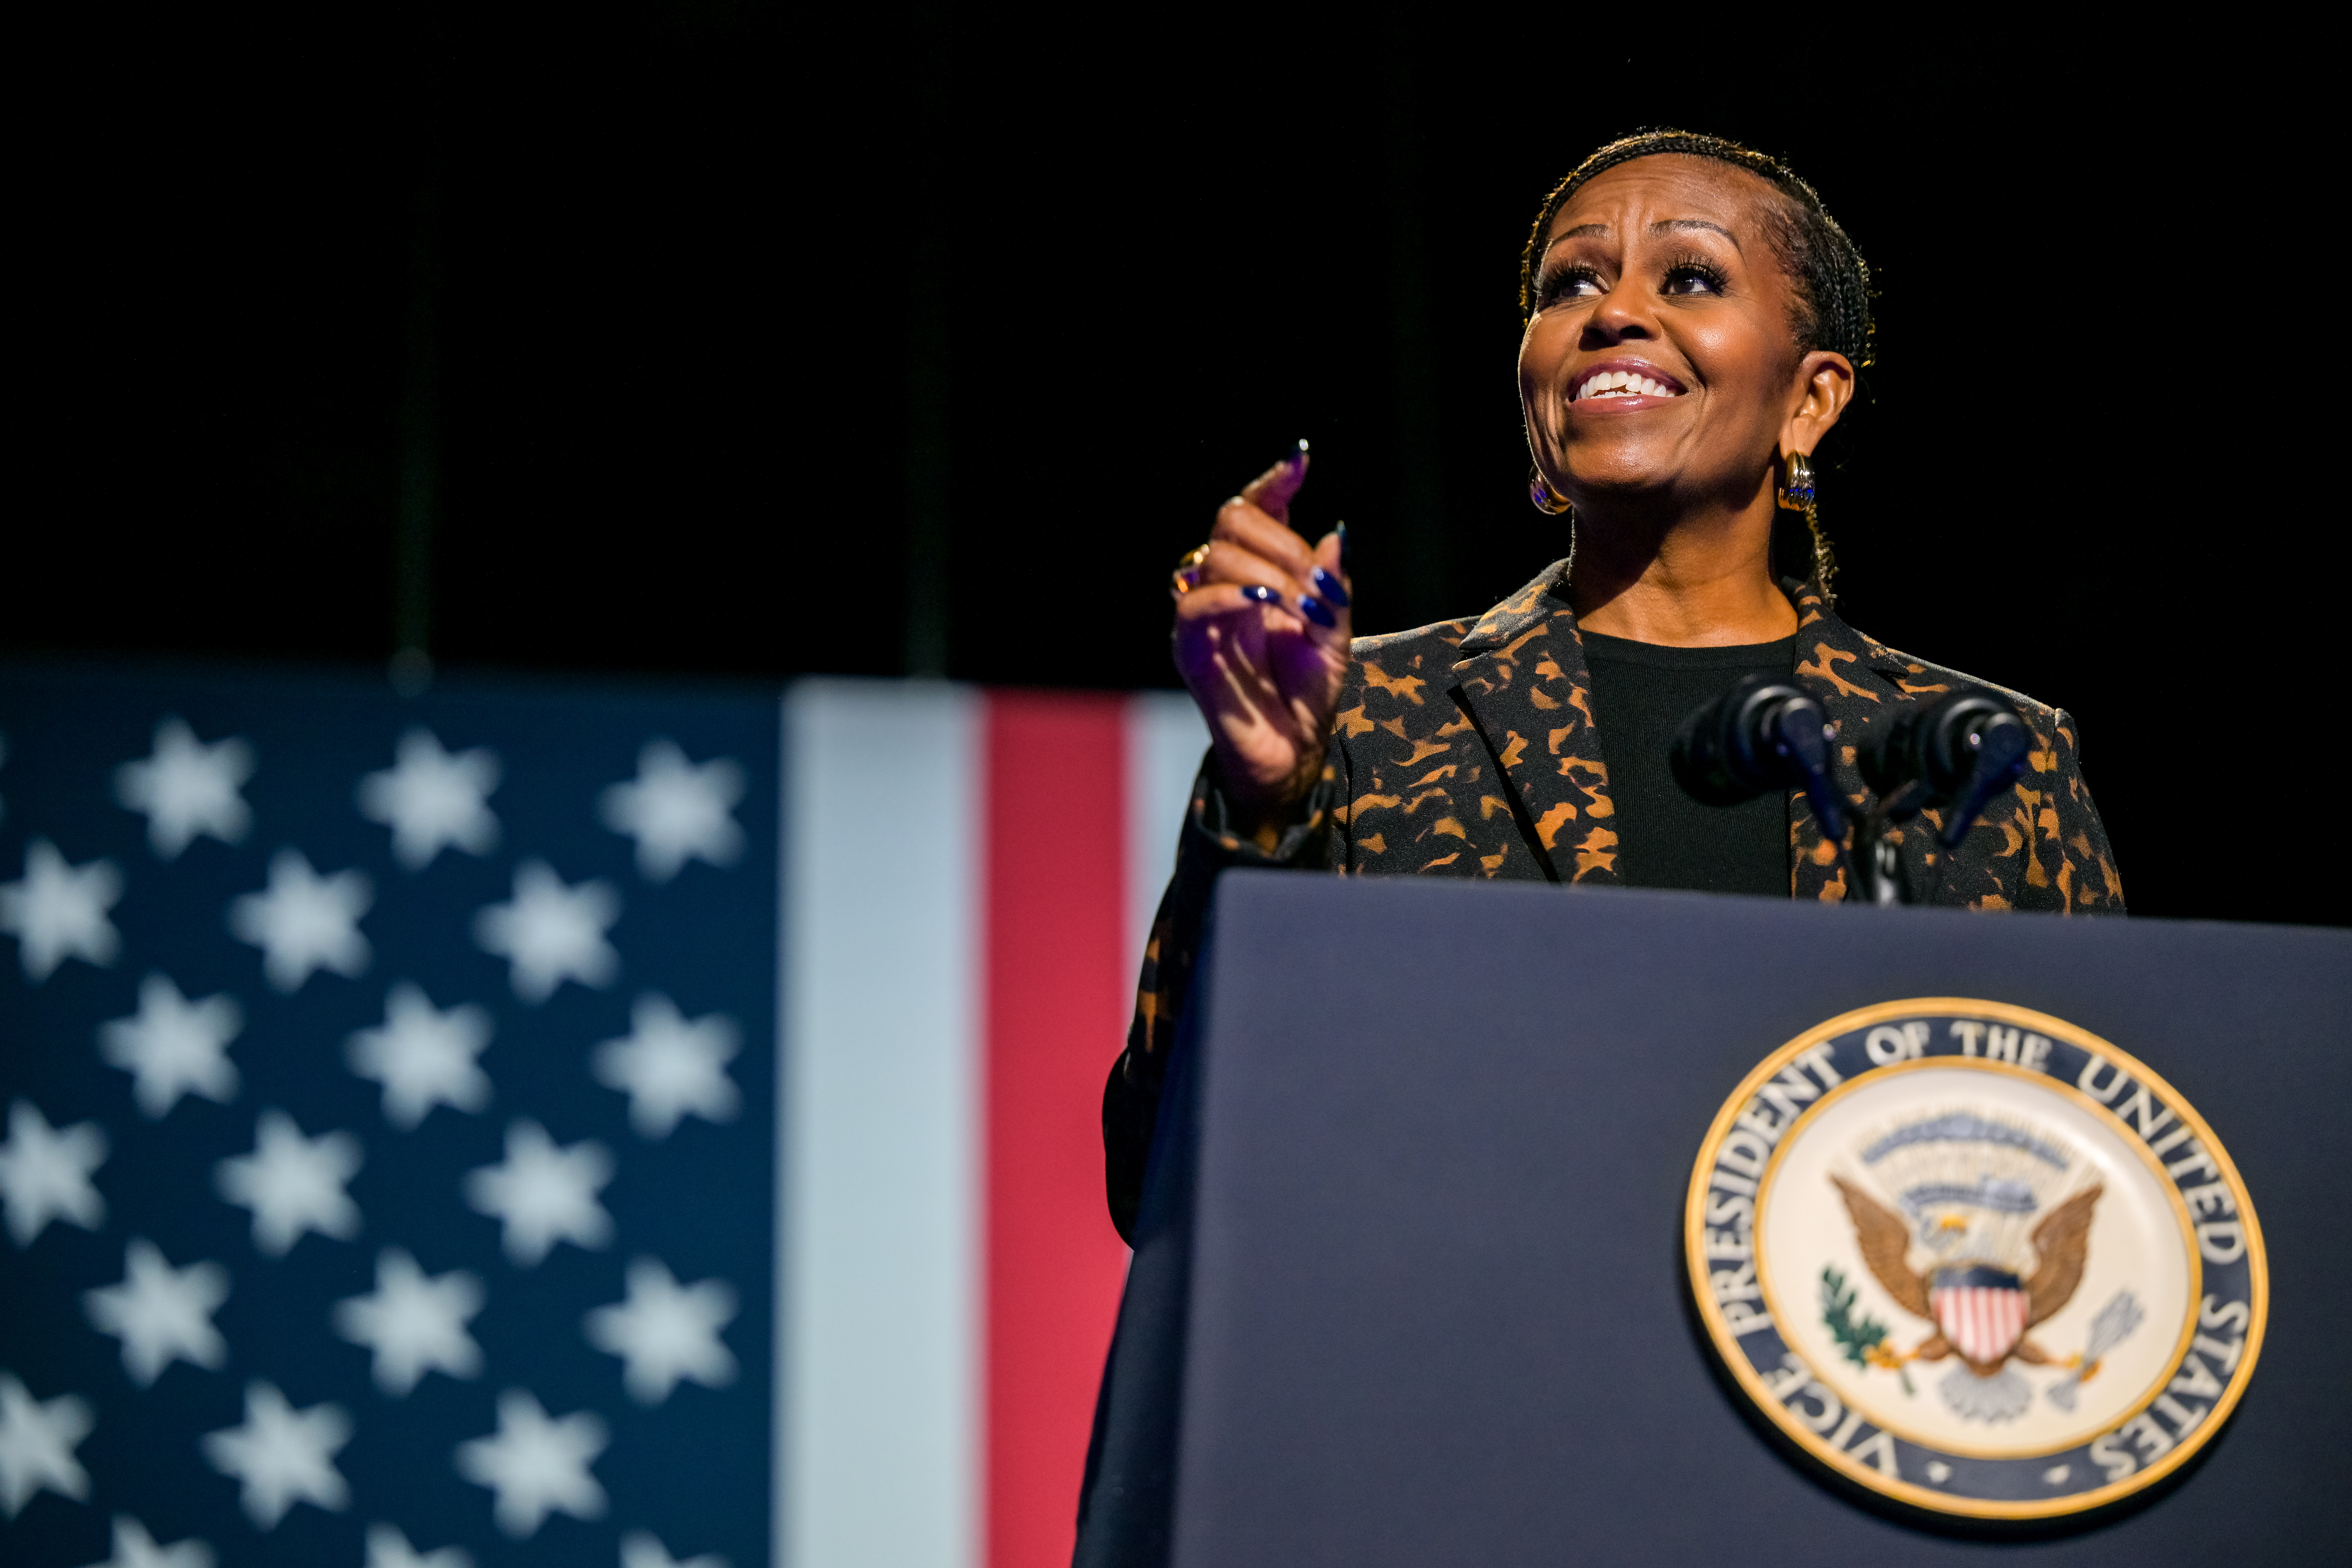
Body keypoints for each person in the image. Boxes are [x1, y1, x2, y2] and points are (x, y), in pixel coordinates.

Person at [1102, 130, 2123, 1243]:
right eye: (1570, 283)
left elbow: (2110, 1174)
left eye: (1689, 277)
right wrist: (1259, 797)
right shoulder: (1373, 720)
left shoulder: (1979, 756)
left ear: (1811, 400)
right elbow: (1163, 1169)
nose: (1612, 312)